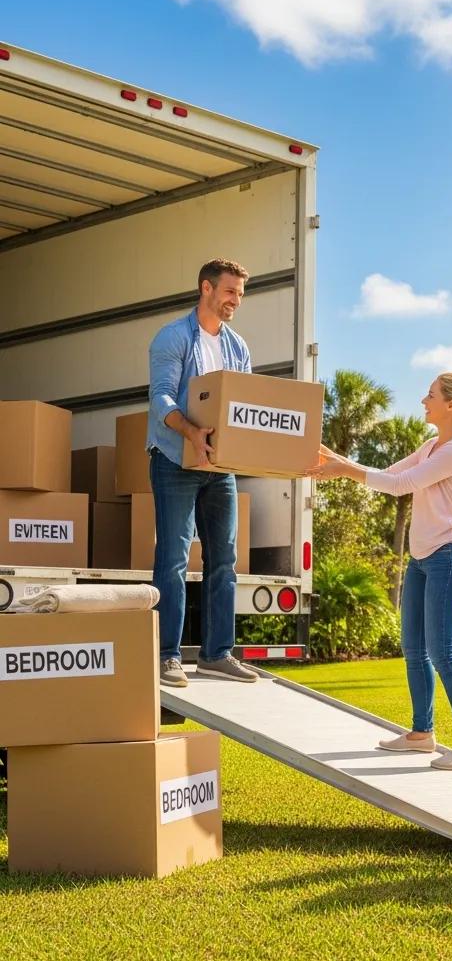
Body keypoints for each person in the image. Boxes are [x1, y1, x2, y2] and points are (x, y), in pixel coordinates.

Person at [309, 373, 452, 770]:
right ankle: (422, 734)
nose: (424, 400)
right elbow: (389, 474)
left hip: (450, 556)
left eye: (431, 395)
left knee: (443, 652)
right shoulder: (431, 446)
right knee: (413, 649)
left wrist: (341, 468)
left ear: (451, 406)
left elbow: (400, 485)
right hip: (424, 558)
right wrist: (332, 458)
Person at [148, 258, 258, 688]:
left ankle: (216, 654)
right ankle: (165, 656)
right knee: (174, 559)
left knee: (224, 560)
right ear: (206, 288)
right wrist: (193, 433)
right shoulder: (172, 337)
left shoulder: (239, 347)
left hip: (221, 468)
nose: (235, 301)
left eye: (240, 295)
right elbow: (160, 401)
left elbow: (244, 405)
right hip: (176, 459)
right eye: (230, 292)